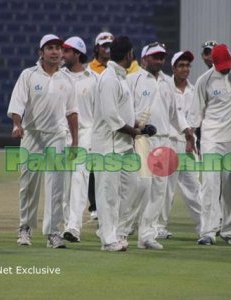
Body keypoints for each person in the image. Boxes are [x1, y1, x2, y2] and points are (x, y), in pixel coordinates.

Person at [7, 34, 78, 248]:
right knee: (28, 184)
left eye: (58, 48)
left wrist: (75, 142)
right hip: (32, 134)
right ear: (41, 52)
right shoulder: (28, 75)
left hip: (57, 136)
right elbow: (18, 104)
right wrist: (17, 125)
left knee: (57, 185)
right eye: (50, 48)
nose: (55, 52)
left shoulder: (67, 80)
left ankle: (53, 234)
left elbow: (72, 113)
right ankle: (25, 228)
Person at [127, 42, 191, 249]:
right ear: (144, 58)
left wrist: (186, 130)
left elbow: (174, 113)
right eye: (155, 56)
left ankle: (147, 234)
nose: (159, 60)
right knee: (141, 187)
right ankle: (124, 228)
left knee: (159, 190)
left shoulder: (167, 83)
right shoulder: (133, 79)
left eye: (161, 57)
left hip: (164, 140)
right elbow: (125, 109)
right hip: (142, 138)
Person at [92, 36, 152, 251]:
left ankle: (116, 232)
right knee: (107, 194)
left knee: (135, 188)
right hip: (108, 147)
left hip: (124, 146)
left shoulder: (121, 78)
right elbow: (111, 118)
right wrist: (135, 131)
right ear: (129, 54)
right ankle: (108, 240)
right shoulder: (108, 78)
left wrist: (141, 126)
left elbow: (125, 114)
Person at [187, 44, 231, 246]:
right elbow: (195, 113)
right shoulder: (205, 80)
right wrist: (190, 138)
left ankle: (230, 232)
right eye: (220, 65)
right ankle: (208, 232)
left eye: (227, 64)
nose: (225, 69)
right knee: (209, 185)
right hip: (210, 139)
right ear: (213, 62)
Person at [157, 51, 201, 238]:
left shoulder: (194, 90)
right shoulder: (165, 88)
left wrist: (191, 139)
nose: (185, 69)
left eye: (187, 65)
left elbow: (196, 117)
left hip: (188, 144)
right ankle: (158, 227)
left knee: (194, 188)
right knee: (165, 190)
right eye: (181, 65)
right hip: (169, 142)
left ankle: (204, 226)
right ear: (173, 68)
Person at [61, 36, 96, 243]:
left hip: (85, 134)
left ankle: (74, 226)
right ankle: (67, 225)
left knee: (79, 179)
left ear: (77, 54)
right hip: (61, 134)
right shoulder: (59, 76)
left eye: (66, 51)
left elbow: (98, 112)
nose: (62, 55)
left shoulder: (93, 79)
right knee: (64, 183)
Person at [86, 31, 114, 220]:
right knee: (94, 166)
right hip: (94, 122)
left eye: (111, 45)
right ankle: (94, 205)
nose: (107, 49)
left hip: (112, 122)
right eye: (104, 45)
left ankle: (109, 204)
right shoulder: (89, 69)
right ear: (97, 48)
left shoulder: (116, 68)